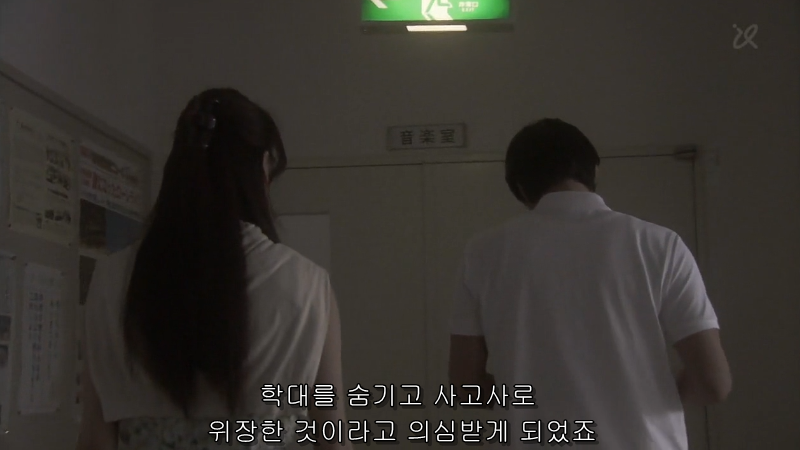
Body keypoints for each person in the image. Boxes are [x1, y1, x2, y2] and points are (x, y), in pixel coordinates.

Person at [77, 88, 352, 450]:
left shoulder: (113, 279)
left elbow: (95, 438)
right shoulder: (308, 286)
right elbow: (332, 437)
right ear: (260, 171)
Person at [448, 119, 732, 449]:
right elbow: (713, 383)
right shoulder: (659, 244)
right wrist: (642, 399)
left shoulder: (484, 253)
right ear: (594, 170)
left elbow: (465, 386)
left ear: (520, 188)